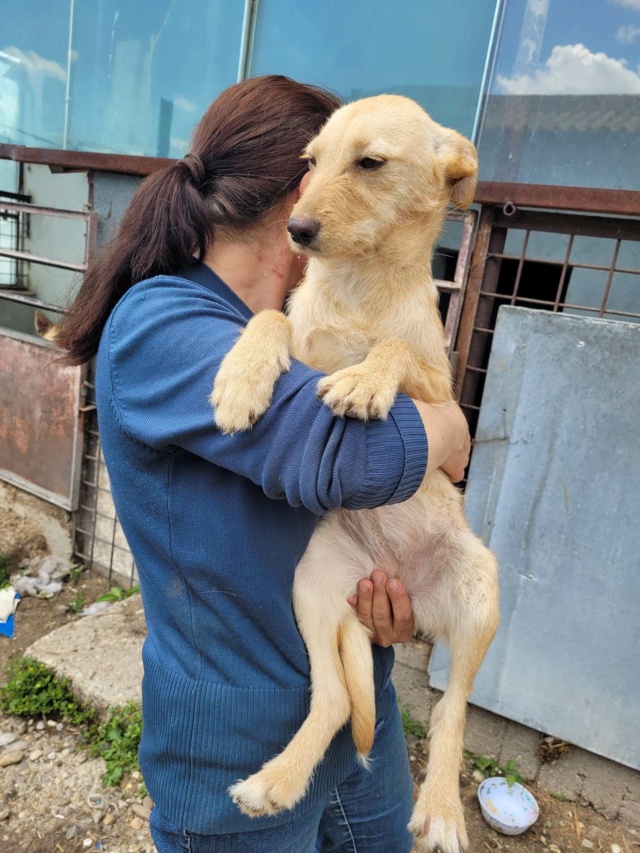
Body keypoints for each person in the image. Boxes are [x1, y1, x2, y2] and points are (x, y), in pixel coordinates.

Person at [55, 75, 471, 853]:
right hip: (234, 744)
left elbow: (386, 487)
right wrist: (447, 429)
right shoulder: (161, 322)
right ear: (301, 190)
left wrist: (400, 593)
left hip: (354, 714)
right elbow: (348, 458)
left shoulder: (310, 318)